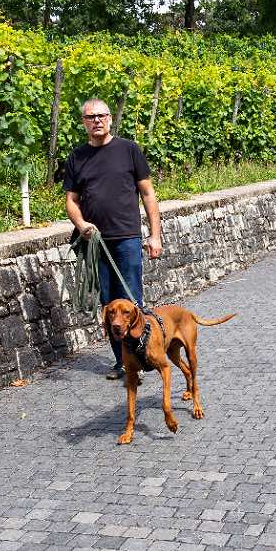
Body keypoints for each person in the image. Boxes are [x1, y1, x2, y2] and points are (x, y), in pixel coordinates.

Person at [64, 98, 163, 380]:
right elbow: (71, 200)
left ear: (110, 118)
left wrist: (155, 235)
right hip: (96, 243)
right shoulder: (77, 158)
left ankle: (141, 357)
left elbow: (148, 194)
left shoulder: (129, 150)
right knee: (108, 306)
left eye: (101, 115)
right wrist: (81, 224)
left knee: (132, 302)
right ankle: (123, 362)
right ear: (83, 122)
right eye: (90, 117)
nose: (97, 120)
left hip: (128, 239)